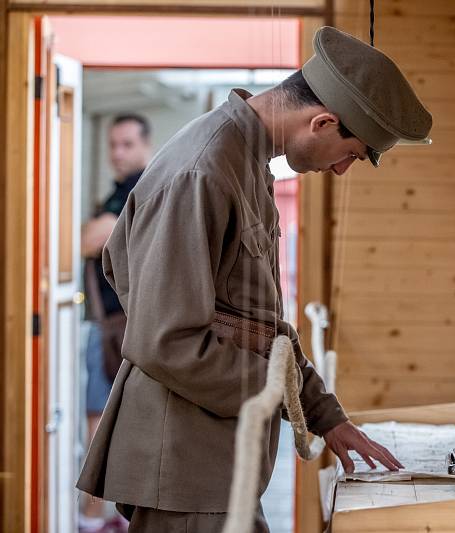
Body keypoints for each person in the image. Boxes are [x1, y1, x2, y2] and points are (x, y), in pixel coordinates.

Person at [77, 26, 432, 532]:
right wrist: (282, 397)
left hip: (215, 457)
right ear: (323, 121)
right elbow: (164, 340)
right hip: (182, 459)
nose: (340, 171)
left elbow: (258, 325)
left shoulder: (246, 161)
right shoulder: (203, 170)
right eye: (350, 154)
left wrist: (324, 414)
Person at [79, 113, 152, 533]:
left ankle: (93, 520)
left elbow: (90, 238)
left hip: (118, 327)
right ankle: (114, 517)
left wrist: (89, 232)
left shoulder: (138, 187)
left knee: (101, 423)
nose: (118, 153)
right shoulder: (122, 190)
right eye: (113, 145)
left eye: (126, 144)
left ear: (145, 144)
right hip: (116, 324)